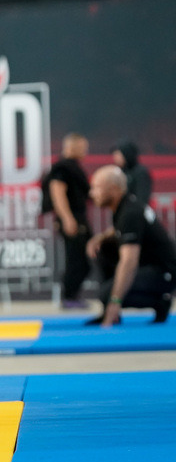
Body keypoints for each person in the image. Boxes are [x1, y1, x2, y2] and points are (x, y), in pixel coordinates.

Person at [86, 165, 176, 327]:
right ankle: (109, 305)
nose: (91, 193)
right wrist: (100, 238)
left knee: (107, 294)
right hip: (149, 265)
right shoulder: (125, 206)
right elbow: (119, 230)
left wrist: (114, 301)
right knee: (105, 248)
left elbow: (129, 262)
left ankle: (160, 302)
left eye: (96, 188)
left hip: (164, 272)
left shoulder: (130, 213)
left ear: (114, 189)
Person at [46, 133, 92, 308]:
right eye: (83, 147)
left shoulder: (73, 167)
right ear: (73, 147)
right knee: (76, 259)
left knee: (83, 260)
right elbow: (57, 192)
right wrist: (67, 218)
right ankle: (69, 297)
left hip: (78, 218)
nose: (86, 151)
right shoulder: (62, 168)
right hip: (72, 219)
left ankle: (72, 295)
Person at [112, 139, 153, 205]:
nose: (115, 158)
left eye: (118, 155)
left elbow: (142, 198)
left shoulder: (140, 172)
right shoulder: (119, 172)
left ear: (126, 154)